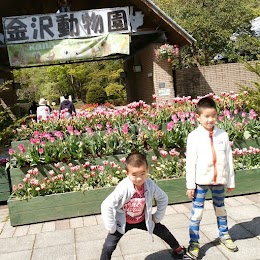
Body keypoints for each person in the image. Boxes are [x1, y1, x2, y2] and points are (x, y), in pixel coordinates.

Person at [100, 152, 188, 260]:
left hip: (143, 219)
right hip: (123, 221)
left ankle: (177, 249)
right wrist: (112, 227)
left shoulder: (149, 184)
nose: (139, 179)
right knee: (108, 246)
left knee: (163, 231)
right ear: (127, 173)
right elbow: (106, 205)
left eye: (142, 173)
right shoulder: (123, 188)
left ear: (147, 170)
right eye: (134, 175)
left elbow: (163, 198)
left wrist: (157, 217)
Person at [185, 97, 238, 259]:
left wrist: (230, 180)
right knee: (197, 213)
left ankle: (224, 235)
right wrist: (190, 184)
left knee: (221, 209)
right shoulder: (194, 136)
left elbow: (228, 159)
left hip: (219, 181)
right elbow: (190, 162)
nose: (210, 119)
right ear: (198, 117)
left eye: (213, 116)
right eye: (206, 116)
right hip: (200, 182)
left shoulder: (223, 135)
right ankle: (194, 242)